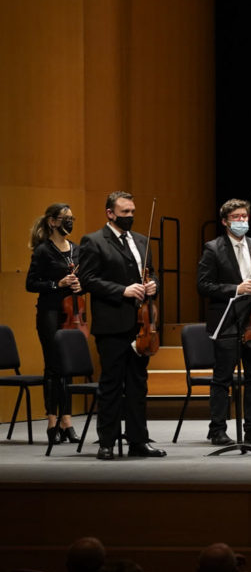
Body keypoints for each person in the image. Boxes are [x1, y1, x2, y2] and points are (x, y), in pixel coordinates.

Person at [77, 191, 164, 460]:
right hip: (112, 324)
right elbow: (88, 279)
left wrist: (153, 285)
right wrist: (122, 290)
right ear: (110, 213)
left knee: (138, 384)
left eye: (132, 212)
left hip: (141, 324)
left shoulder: (141, 240)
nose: (130, 217)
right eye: (125, 212)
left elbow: (152, 272)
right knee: (112, 385)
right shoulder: (93, 241)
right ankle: (107, 441)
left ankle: (138, 441)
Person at [196, 198, 251, 446]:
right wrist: (237, 288)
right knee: (222, 378)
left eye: (245, 217)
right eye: (236, 217)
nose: (242, 221)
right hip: (227, 319)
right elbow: (203, 285)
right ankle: (218, 429)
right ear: (224, 221)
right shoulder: (213, 248)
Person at [25, 202, 84, 445]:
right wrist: (56, 285)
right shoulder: (43, 251)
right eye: (65, 218)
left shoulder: (77, 250)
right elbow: (30, 284)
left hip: (73, 312)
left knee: (67, 368)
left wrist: (81, 285)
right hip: (49, 311)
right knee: (53, 366)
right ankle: (52, 421)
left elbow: (85, 278)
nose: (69, 222)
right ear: (52, 221)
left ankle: (67, 421)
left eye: (72, 218)